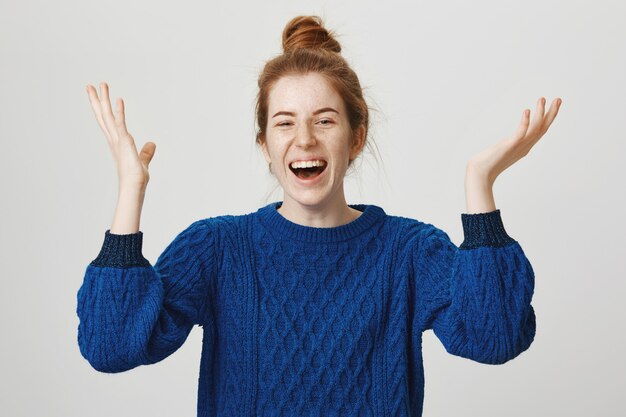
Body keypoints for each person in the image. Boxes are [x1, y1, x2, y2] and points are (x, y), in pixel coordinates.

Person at [76, 15, 562, 417]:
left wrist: (479, 185)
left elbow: (494, 335)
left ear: (355, 138)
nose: (304, 139)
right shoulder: (218, 248)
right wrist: (130, 191)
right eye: (284, 122)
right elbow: (110, 344)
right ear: (265, 145)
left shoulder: (407, 252)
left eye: (324, 120)